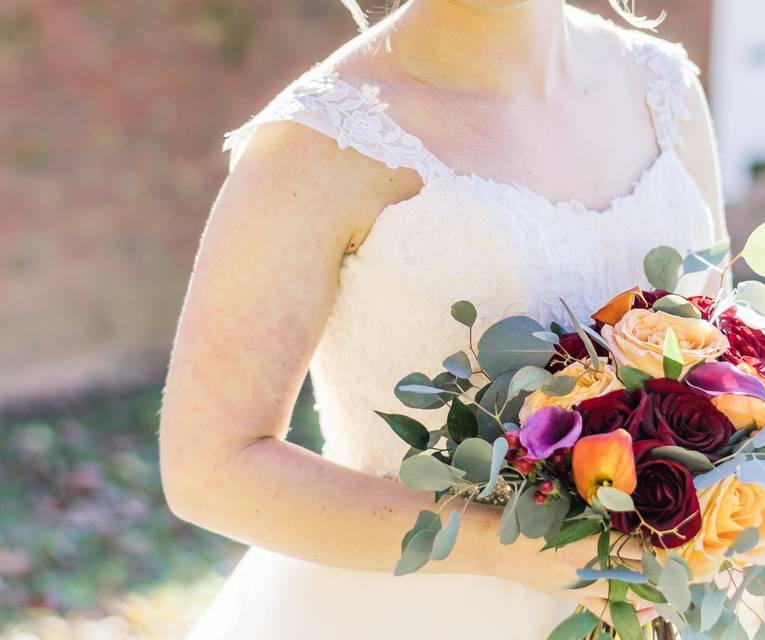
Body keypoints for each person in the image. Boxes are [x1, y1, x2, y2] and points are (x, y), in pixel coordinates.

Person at [159, 1, 728, 637]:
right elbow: (209, 470)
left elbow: (727, 353)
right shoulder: (317, 143)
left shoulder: (663, 86)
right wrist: (501, 545)